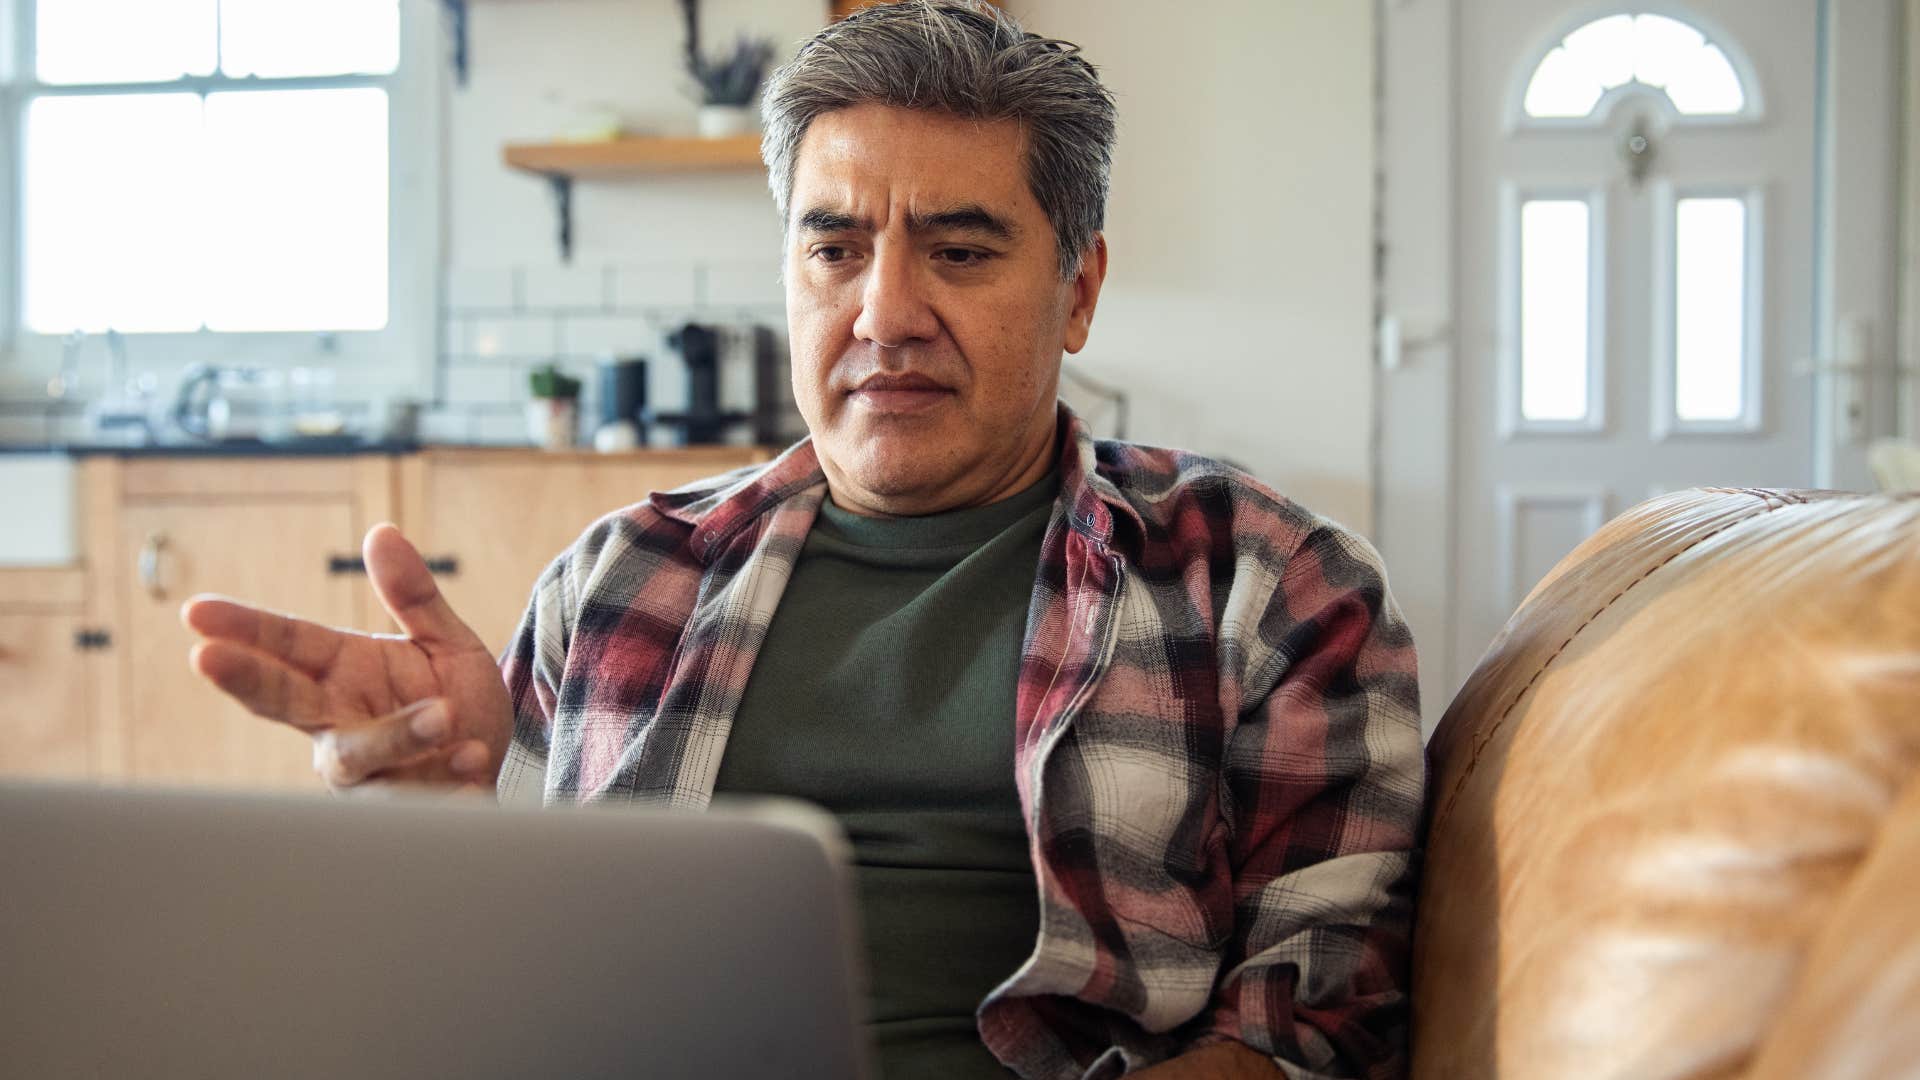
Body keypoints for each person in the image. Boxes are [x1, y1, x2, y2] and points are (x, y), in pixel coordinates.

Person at [181, 3, 1425, 1077]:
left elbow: (1316, 1031)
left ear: (1080, 290)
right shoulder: (620, 580)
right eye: (835, 248)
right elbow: (496, 994)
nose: (886, 313)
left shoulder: (1263, 584)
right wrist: (443, 833)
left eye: (960, 251)